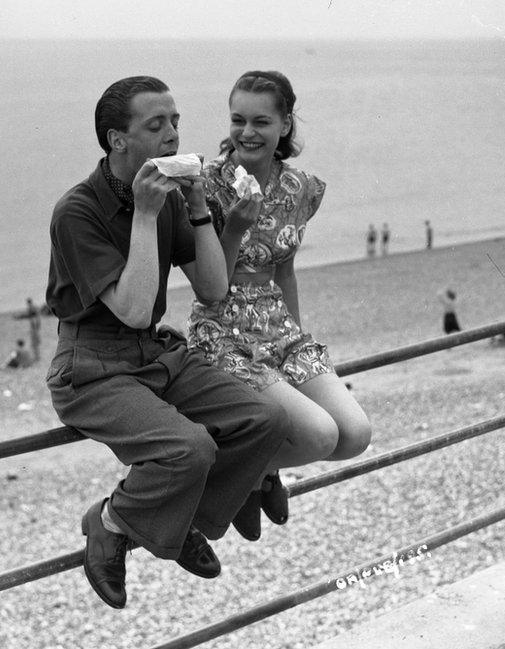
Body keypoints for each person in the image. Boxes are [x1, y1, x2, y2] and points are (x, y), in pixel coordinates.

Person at [45, 76, 289, 609]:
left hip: (153, 353)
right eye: (156, 125)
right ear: (117, 140)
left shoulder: (170, 195)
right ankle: (109, 521)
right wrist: (148, 214)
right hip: (91, 367)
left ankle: (175, 525)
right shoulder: (77, 211)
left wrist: (198, 204)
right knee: (189, 448)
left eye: (175, 121)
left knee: (263, 420)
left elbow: (212, 288)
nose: (172, 135)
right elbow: (132, 309)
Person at [188, 70, 371, 542]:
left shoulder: (300, 189)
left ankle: (252, 474)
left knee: (354, 435)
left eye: (261, 121)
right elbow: (210, 288)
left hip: (278, 327)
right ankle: (229, 481)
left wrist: (297, 344)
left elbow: (284, 268)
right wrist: (234, 227)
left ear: (285, 125)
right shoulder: (205, 186)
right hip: (223, 328)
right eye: (237, 120)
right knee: (318, 436)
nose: (247, 132)